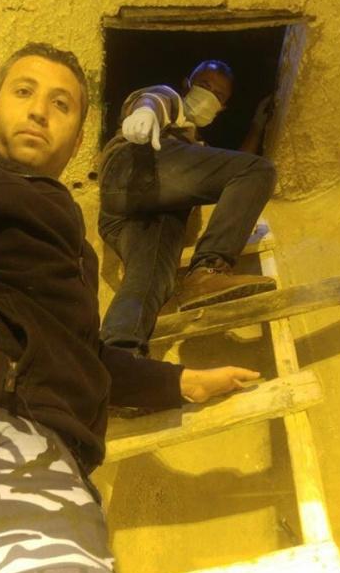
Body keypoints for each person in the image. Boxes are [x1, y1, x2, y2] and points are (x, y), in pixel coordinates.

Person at [0, 42, 262, 573]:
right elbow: (153, 102)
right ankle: (210, 268)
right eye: (24, 92)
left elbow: (82, 357)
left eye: (61, 105)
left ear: (77, 139)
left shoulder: (74, 252)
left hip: (30, 457)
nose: (38, 112)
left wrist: (178, 382)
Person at [98, 60, 277, 357]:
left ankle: (120, 356)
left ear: (222, 109)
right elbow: (155, 99)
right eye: (204, 85)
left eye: (218, 95)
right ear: (187, 84)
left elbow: (235, 168)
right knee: (260, 170)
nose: (209, 96)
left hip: (149, 214)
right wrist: (145, 112)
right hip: (134, 169)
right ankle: (209, 268)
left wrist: (257, 126)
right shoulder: (172, 103)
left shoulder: (197, 149)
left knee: (151, 281)